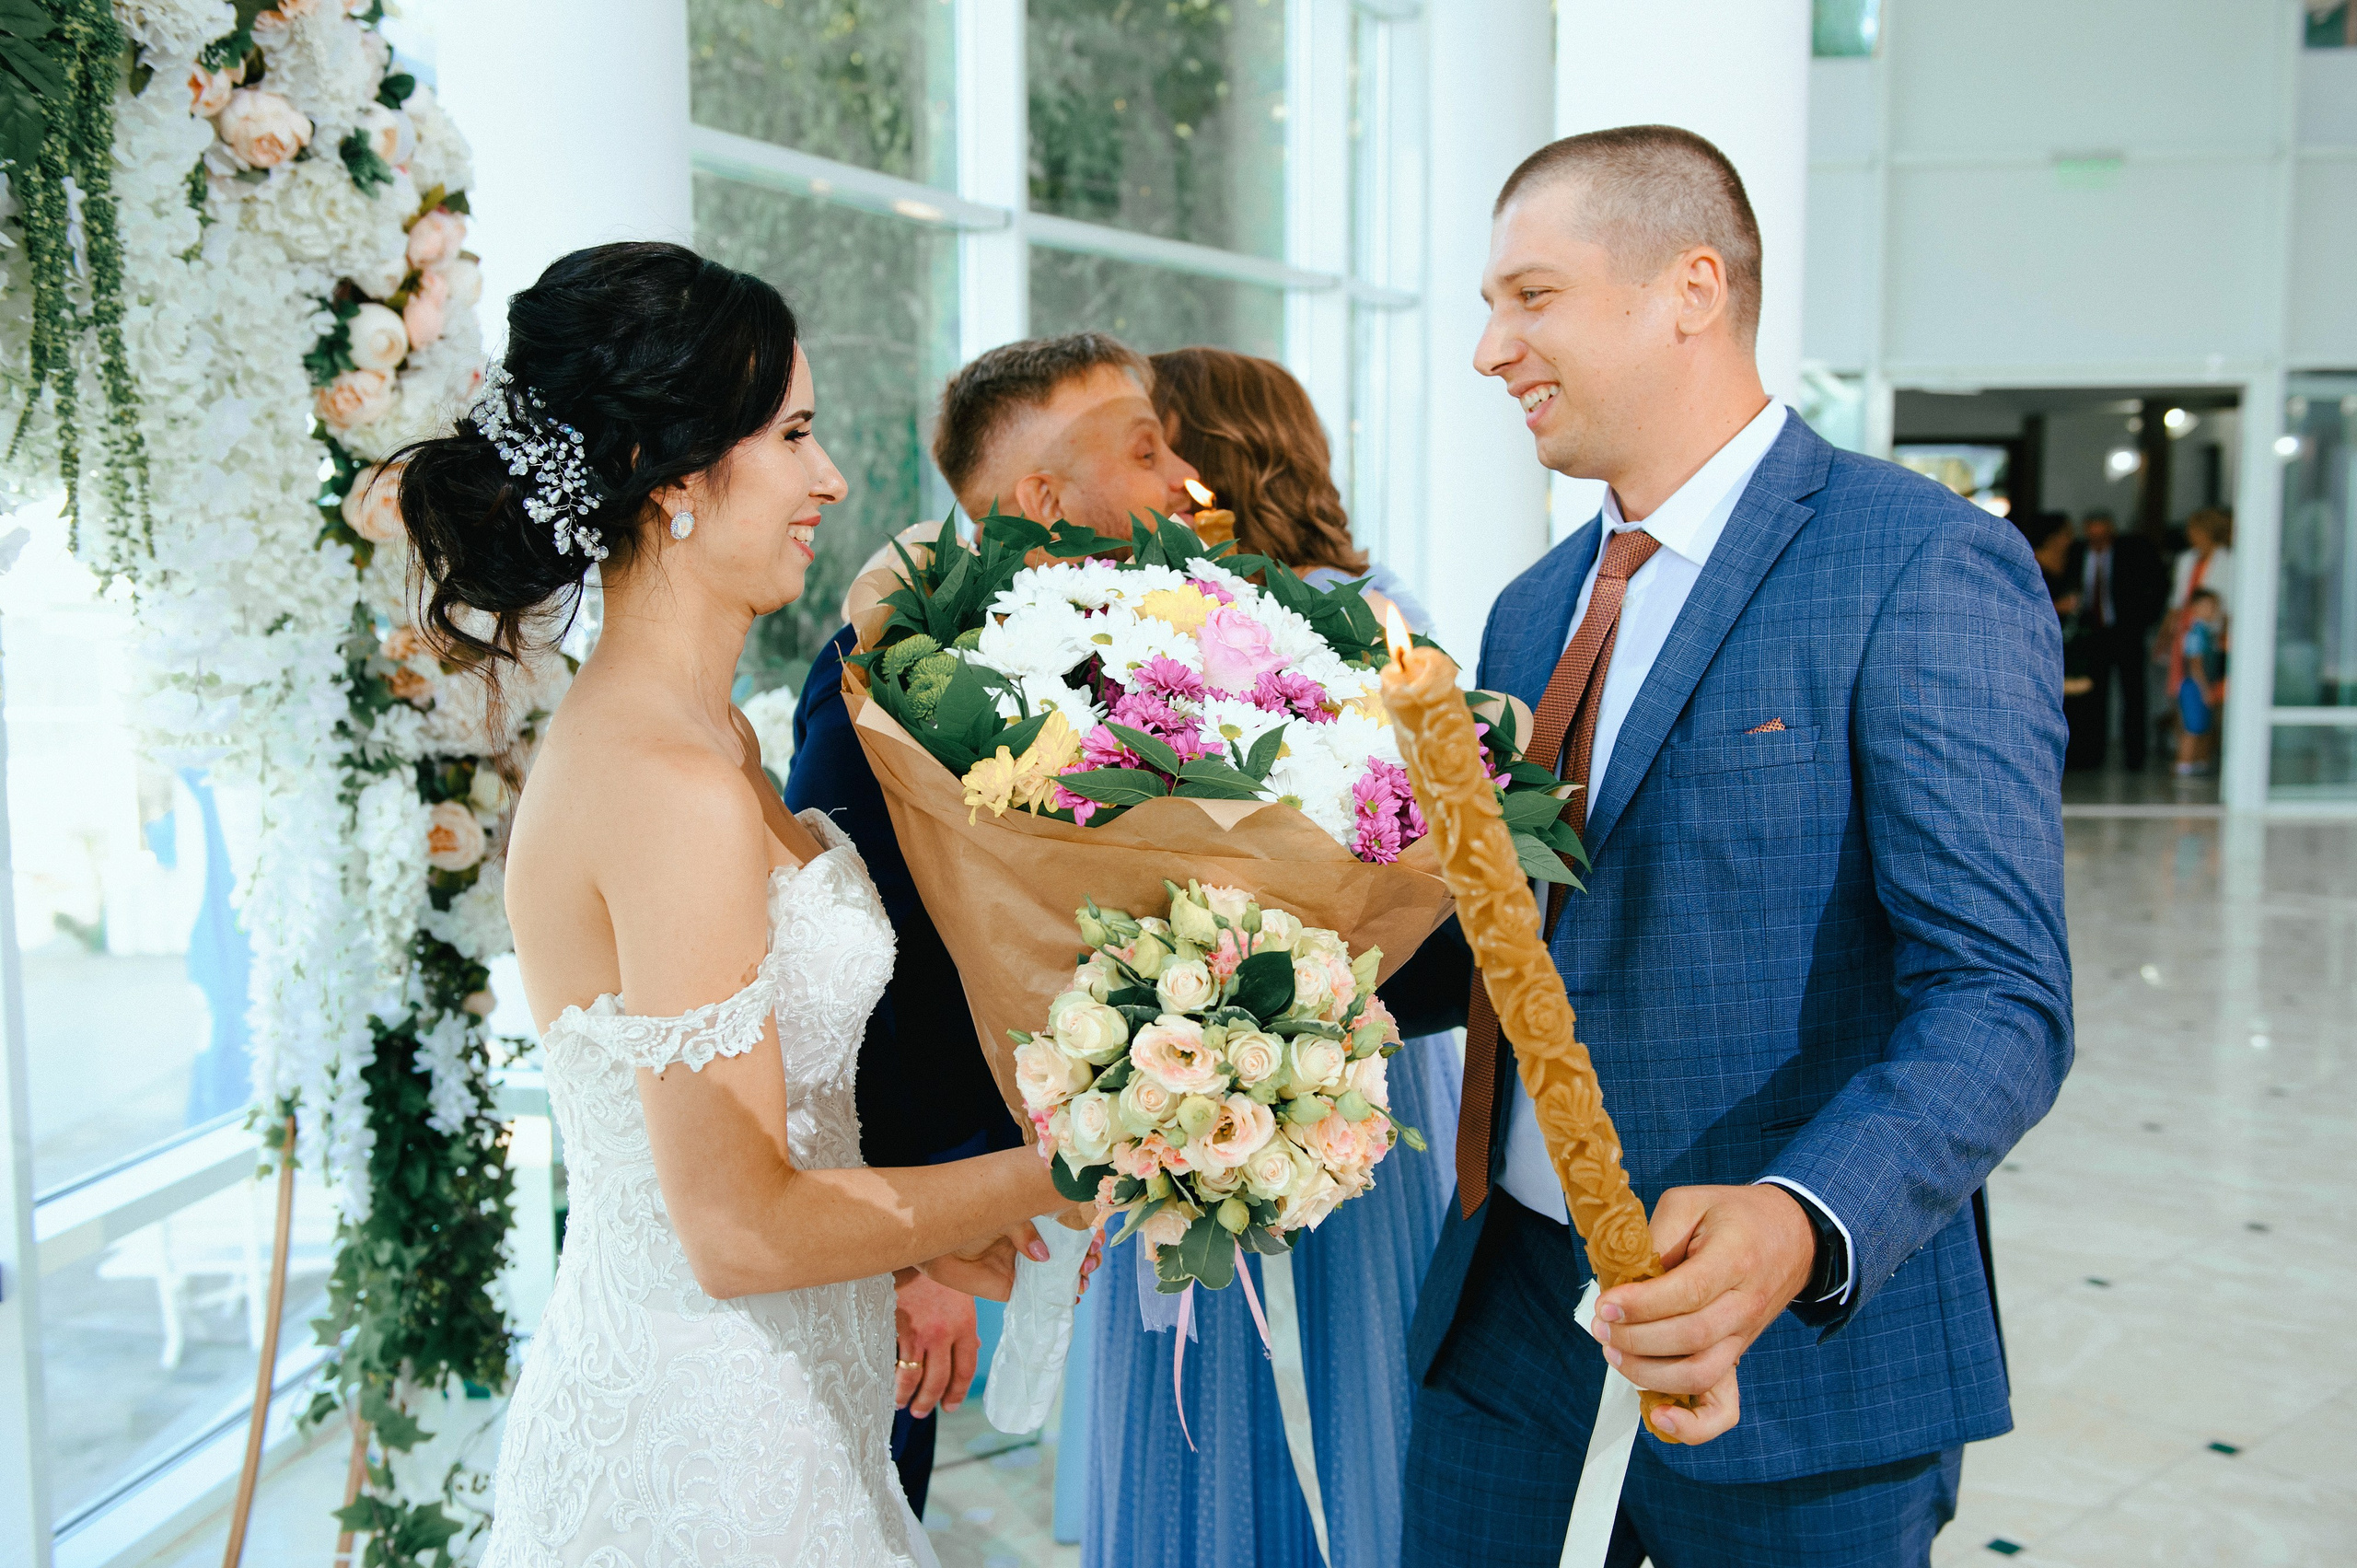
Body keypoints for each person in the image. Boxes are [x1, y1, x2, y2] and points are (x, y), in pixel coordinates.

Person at [1401, 126, 2072, 1566]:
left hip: (1787, 1360)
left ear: (1690, 287)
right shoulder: (1531, 609)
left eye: (1531, 297)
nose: (1489, 349)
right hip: (1509, 1316)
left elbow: (2003, 995)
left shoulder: (1918, 563)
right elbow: (1507, 931)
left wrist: (1800, 1218)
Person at [407, 242, 1081, 1567]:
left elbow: (765, 1141)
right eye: (793, 435)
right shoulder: (664, 781)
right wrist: (1062, 1171)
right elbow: (732, 1228)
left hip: (796, 1390)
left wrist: (938, 1236)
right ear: (674, 479)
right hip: (712, 1444)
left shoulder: (711, 737)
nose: (829, 478)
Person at [783, 331, 1199, 1510]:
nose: (1180, 482)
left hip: (1042, 1180)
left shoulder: (1152, 666)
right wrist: (917, 1247)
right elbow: (861, 958)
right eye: (1149, 450)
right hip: (904, 1214)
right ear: (1041, 498)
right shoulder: (891, 663)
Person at [1070, 347, 1459, 1568]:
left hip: (1343, 1072)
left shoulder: (1371, 612)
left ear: (1214, 452)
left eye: (1152, 443)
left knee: (1360, 1391)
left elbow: (1433, 845)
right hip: (1177, 1064)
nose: (1149, 471)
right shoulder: (1132, 618)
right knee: (1202, 1413)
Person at [2061, 511, 2166, 770]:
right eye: (2092, 535)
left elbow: (2157, 585)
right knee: (2092, 697)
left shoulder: (2132, 551)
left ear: (2111, 532)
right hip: (2090, 634)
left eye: (2102, 535)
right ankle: (2090, 754)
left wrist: (2144, 619)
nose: (2097, 541)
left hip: (2125, 632)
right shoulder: (2076, 553)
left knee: (2133, 693)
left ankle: (2135, 756)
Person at [2164, 508, 2233, 773]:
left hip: (2212, 637)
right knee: (2182, 693)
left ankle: (2202, 756)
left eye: (2194, 529)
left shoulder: (2229, 561)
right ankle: (2186, 752)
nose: (2189, 534)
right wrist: (2166, 635)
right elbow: (2177, 601)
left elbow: (2229, 607)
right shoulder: (2187, 560)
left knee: (2209, 695)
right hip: (2185, 633)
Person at [2174, 586, 2229, 774]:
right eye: (2208, 606)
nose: (2213, 611)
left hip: (2204, 686)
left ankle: (2198, 762)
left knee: (2204, 726)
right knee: (2193, 727)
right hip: (2195, 687)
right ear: (2195, 608)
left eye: (2215, 607)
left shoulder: (2209, 633)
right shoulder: (2196, 634)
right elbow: (2196, 665)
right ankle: (2184, 763)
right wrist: (2205, 690)